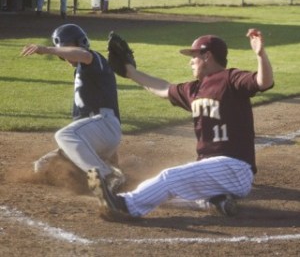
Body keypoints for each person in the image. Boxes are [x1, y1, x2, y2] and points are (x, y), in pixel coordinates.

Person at [88, 28, 274, 220]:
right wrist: (130, 72)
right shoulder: (195, 89)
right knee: (165, 194)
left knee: (170, 178)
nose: (190, 61)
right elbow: (162, 88)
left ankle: (125, 206)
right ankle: (215, 202)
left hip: (235, 168)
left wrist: (260, 55)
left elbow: (263, 81)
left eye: (194, 56)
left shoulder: (230, 79)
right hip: (214, 170)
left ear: (207, 56)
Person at [21, 24, 125, 192]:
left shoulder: (94, 59)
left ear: (80, 43)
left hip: (104, 125)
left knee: (64, 134)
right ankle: (105, 173)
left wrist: (47, 49)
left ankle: (107, 176)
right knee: (43, 166)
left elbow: (83, 54)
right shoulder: (81, 71)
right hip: (96, 135)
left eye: (65, 47)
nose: (64, 54)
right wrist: (111, 155)